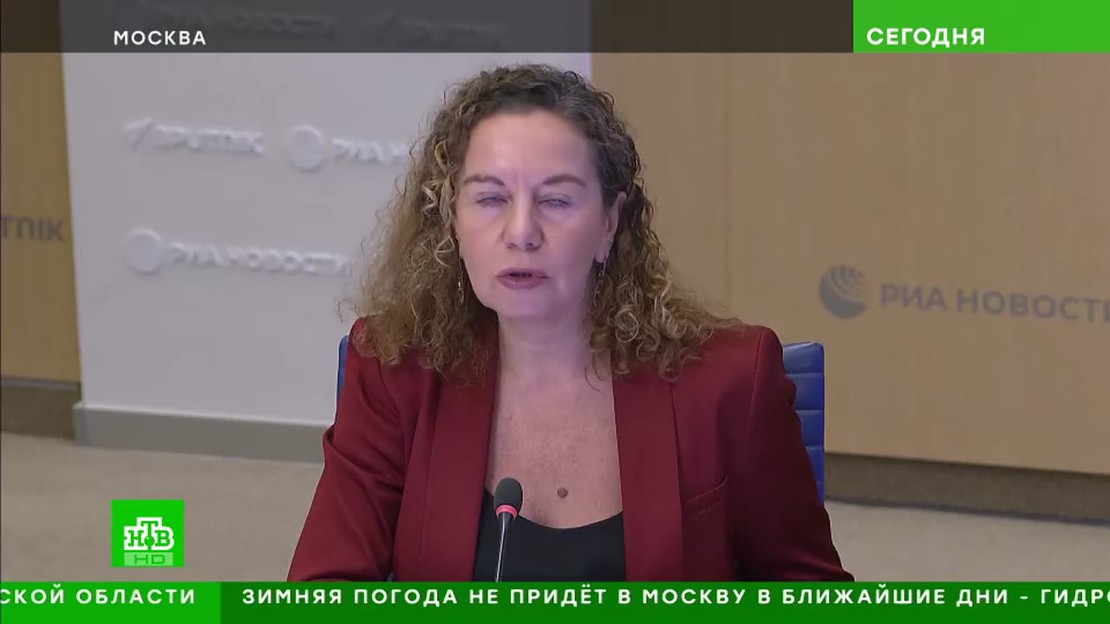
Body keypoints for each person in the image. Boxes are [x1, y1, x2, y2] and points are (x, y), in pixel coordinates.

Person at [288, 63, 852, 582]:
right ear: (451, 221)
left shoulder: (728, 383)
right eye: (490, 199)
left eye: (556, 201)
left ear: (610, 223)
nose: (521, 233)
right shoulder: (394, 370)